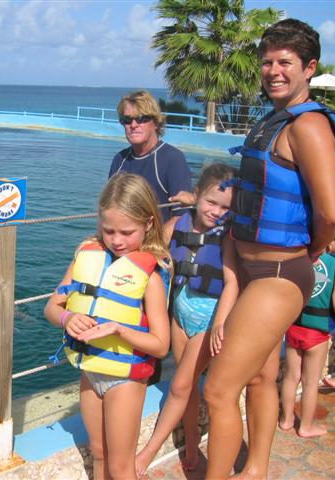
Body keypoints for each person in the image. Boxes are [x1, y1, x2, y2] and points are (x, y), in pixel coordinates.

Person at [203, 19, 335, 480]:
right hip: (252, 271)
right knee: (261, 377)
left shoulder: (309, 126)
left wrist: (312, 252)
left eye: (285, 62)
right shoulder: (273, 120)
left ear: (309, 67)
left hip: (279, 274)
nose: (273, 71)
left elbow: (331, 213)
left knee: (218, 391)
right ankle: (255, 470)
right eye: (267, 62)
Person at [45, 173, 171, 480]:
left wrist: (119, 329)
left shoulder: (151, 277)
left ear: (148, 224)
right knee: (98, 453)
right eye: (108, 230)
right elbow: (51, 307)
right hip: (91, 372)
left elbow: (161, 346)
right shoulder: (86, 256)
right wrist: (67, 318)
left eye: (127, 232)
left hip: (124, 380)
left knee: (120, 466)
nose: (116, 240)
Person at [134, 164, 239, 475]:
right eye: (211, 202)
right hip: (180, 316)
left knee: (179, 386)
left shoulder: (228, 237)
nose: (216, 212)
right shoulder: (176, 224)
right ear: (196, 196)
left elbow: (232, 282)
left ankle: (147, 454)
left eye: (225, 207)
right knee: (188, 387)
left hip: (208, 320)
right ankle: (191, 443)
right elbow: (150, 251)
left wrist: (220, 323)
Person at [280, 233, 335, 437]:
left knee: (291, 377)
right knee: (310, 383)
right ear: (331, 241)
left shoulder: (297, 260)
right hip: (316, 334)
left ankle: (286, 420)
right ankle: (306, 426)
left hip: (294, 328)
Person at [109, 90, 192, 222]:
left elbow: (181, 217)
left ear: (156, 123)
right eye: (127, 120)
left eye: (141, 119)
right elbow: (109, 210)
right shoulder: (119, 159)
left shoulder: (172, 159)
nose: (133, 125)